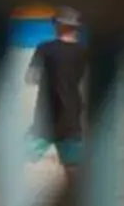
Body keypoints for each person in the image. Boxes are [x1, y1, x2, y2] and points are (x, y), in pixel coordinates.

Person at [28, 13, 88, 170]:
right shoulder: (84, 52)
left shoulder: (45, 48)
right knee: (72, 166)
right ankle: (76, 194)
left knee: (21, 159)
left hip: (46, 115)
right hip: (72, 116)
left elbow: (30, 78)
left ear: (58, 26)